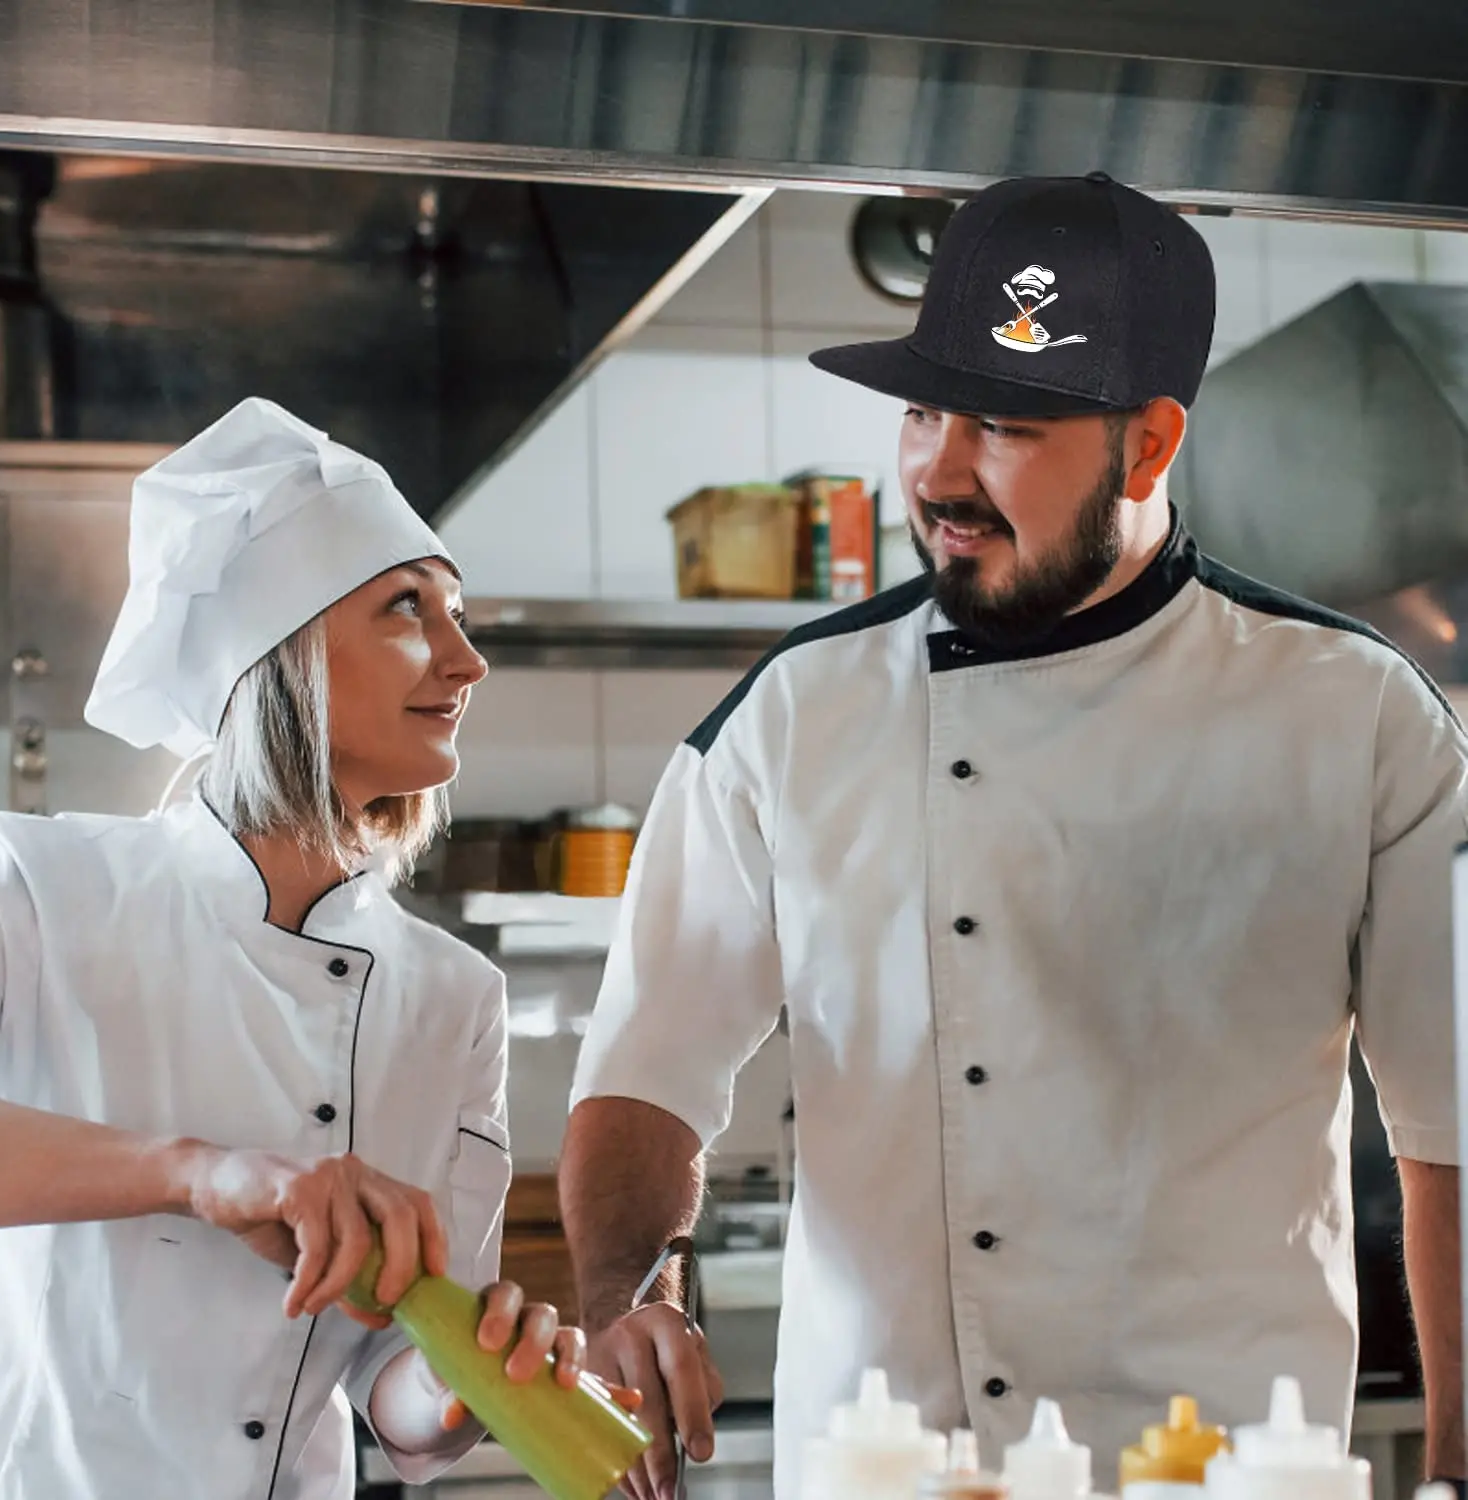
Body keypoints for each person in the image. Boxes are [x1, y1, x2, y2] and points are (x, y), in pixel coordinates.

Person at [558, 173, 1468, 1499]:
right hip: (890, 1460)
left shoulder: (1358, 712)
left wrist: (1457, 1464)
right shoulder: (794, 718)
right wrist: (624, 1291)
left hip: (1229, 1466)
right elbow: (650, 1064)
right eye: (923, 411)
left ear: (1149, 446)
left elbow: (1452, 1117)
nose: (938, 470)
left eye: (1002, 423)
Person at [0, 398, 614, 1499]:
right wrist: (201, 1175)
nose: (467, 663)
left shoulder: (452, 995)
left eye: (460, 616)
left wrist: (474, 1381)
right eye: (409, 609)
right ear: (279, 656)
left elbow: (392, 1384)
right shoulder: (30, 887)